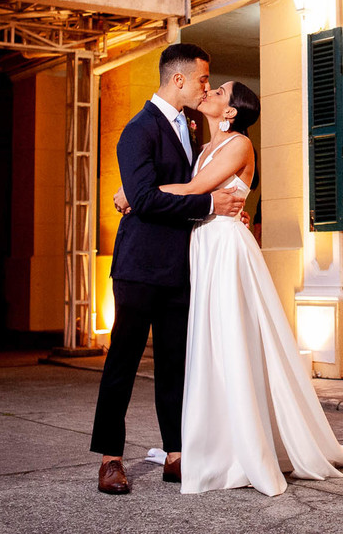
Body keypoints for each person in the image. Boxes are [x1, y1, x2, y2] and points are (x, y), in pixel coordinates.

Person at [159, 80, 343, 497]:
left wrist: (136, 193)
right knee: (210, 343)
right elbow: (192, 196)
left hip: (227, 247)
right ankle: (219, 439)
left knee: (233, 338)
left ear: (231, 112)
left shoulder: (239, 146)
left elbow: (195, 192)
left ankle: (244, 446)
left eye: (219, 92)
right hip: (204, 245)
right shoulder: (203, 149)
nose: (211, 93)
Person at [90, 44, 246, 495]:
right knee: (123, 359)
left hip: (181, 266)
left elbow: (198, 179)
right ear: (178, 80)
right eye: (202, 79)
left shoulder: (194, 127)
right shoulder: (137, 130)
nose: (206, 87)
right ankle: (110, 458)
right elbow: (146, 198)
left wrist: (225, 211)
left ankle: (176, 454)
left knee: (176, 363)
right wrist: (208, 204)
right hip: (139, 265)